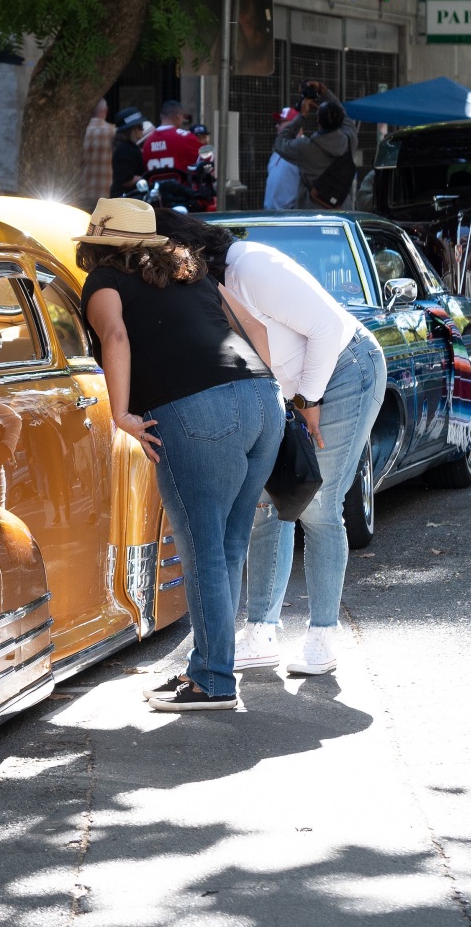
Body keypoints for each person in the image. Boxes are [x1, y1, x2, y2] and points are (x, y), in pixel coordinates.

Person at [156, 211, 383, 676]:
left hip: (343, 370)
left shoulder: (249, 266)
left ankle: (322, 637)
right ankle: (260, 631)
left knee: (320, 507)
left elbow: (326, 328)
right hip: (291, 389)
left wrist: (309, 399)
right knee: (270, 504)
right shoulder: (206, 290)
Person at [77, 198, 282, 713]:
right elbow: (255, 333)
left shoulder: (105, 280)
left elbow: (115, 336)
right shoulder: (193, 273)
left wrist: (121, 414)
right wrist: (258, 390)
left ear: (99, 241)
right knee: (229, 545)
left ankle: (213, 680)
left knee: (204, 550)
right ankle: (209, 668)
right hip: (263, 400)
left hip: (196, 411)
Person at [275, 82, 358, 210]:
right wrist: (324, 91)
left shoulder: (305, 148)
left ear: (317, 120)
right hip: (341, 211)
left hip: (312, 213)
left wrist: (301, 116)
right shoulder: (349, 140)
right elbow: (344, 115)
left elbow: (280, 143)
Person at [140, 101, 202, 181]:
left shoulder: (147, 143)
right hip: (179, 191)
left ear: (161, 116)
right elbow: (207, 156)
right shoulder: (185, 137)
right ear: (179, 116)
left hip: (157, 191)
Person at [264, 108, 303, 211]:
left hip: (290, 216)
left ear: (293, 124)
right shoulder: (277, 150)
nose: (277, 126)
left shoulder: (304, 147)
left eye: (280, 122)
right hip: (270, 215)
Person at [81, 98, 115, 208]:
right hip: (106, 193)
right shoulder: (113, 132)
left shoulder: (81, 133)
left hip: (83, 192)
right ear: (105, 110)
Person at [110, 107, 148, 197]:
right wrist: (144, 179)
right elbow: (125, 180)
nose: (142, 130)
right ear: (130, 130)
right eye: (140, 127)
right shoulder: (125, 150)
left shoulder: (127, 147)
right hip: (126, 199)